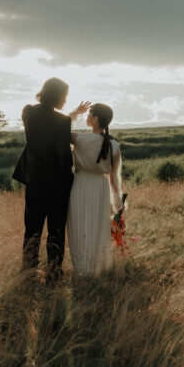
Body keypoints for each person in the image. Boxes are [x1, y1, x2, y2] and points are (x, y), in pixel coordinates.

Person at [14, 78, 90, 284]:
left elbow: (47, 125)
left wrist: (72, 113)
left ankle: (27, 272)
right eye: (64, 96)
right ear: (57, 95)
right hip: (57, 184)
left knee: (32, 229)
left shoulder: (28, 112)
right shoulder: (62, 122)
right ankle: (54, 274)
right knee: (56, 230)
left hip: (34, 182)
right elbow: (63, 157)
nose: (65, 100)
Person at [67, 103, 123, 277]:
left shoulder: (80, 139)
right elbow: (114, 178)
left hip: (80, 184)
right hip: (101, 188)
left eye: (89, 113)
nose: (86, 116)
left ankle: (82, 269)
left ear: (96, 119)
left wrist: (75, 112)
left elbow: (60, 127)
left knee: (79, 226)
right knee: (98, 227)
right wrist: (118, 204)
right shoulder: (114, 145)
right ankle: (96, 267)